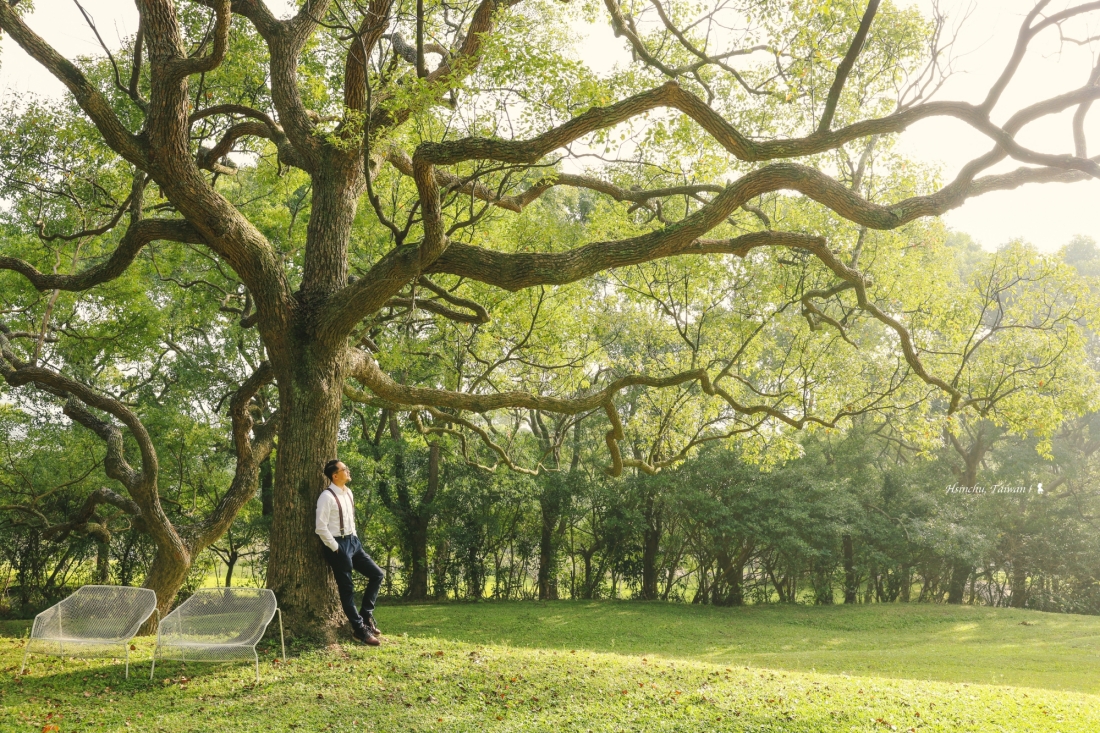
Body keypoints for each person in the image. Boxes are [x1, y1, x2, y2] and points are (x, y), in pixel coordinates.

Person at [316, 459, 385, 645]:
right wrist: (336, 548)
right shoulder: (326, 497)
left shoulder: (349, 493)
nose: (348, 471)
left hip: (354, 542)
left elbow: (350, 520)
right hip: (338, 546)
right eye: (344, 469)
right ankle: (358, 629)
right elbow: (320, 527)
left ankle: (366, 616)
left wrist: (354, 539)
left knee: (377, 575)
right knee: (347, 590)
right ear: (335, 475)